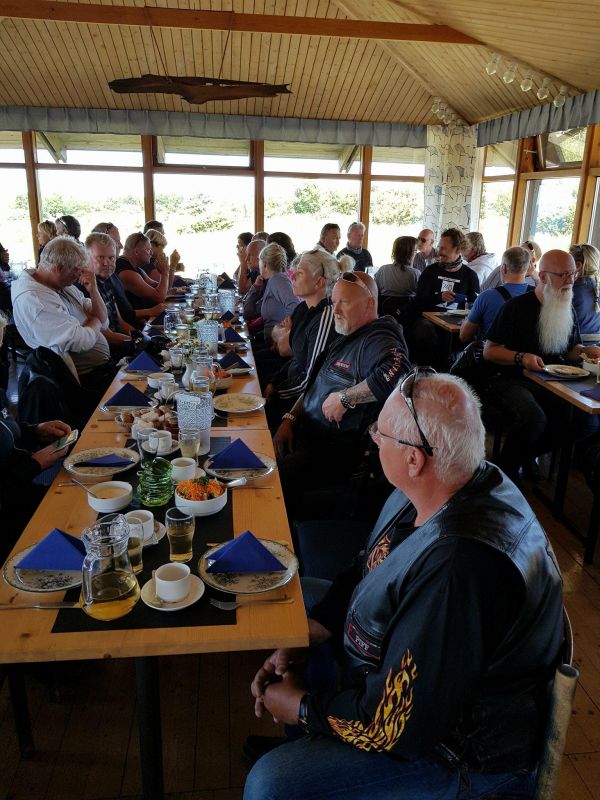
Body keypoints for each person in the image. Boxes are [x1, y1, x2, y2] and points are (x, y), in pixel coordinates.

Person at [245, 372, 563, 800]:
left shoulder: (461, 568)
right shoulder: (445, 482)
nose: (374, 439)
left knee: (269, 784)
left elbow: (396, 724)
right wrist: (315, 627)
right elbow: (368, 565)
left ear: (414, 458)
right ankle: (314, 745)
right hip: (419, 684)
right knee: (305, 602)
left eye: (380, 433)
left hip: (457, 753)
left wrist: (302, 708)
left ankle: (312, 751)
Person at [274, 272, 409, 520]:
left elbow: (398, 373)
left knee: (271, 480)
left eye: (344, 302)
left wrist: (346, 398)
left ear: (369, 303)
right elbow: (315, 385)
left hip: (334, 452)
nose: (335, 309)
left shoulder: (378, 337)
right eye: (334, 301)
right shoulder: (348, 334)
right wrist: (290, 418)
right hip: (306, 433)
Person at [484, 249, 600, 481]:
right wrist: (521, 357)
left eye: (573, 274)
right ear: (544, 276)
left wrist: (585, 351)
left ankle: (524, 455)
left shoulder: (567, 307)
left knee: (587, 423)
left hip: (552, 381)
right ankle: (502, 476)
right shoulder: (515, 307)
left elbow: (570, 350)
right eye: (564, 275)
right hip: (511, 378)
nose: (570, 281)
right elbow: (490, 351)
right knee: (533, 418)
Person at [0, 315, 72, 558]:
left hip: (23, 493)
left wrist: (35, 431)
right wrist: (35, 464)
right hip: (11, 526)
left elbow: (6, 432)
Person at [11, 236, 113, 390]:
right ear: (59, 268)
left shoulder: (61, 284)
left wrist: (93, 290)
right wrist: (95, 321)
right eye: (76, 270)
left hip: (101, 369)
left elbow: (104, 321)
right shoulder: (35, 301)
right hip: (80, 382)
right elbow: (81, 341)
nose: (79, 275)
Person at [264, 249, 341, 422]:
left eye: (299, 273)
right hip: (288, 388)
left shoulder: (325, 317)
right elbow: (296, 359)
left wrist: (275, 393)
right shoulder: (303, 309)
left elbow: (310, 380)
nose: (292, 277)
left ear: (319, 282)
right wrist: (273, 382)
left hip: (302, 407)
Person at [408, 228, 479, 367]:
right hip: (429, 322)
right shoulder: (430, 271)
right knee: (424, 329)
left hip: (456, 324)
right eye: (439, 247)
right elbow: (418, 303)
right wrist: (439, 298)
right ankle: (429, 371)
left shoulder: (470, 276)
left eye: (443, 248)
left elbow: (474, 306)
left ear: (457, 249)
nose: (439, 252)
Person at [460, 245, 531, 344]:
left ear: (503, 268)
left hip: (492, 352)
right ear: (528, 268)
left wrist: (465, 323)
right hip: (526, 353)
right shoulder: (537, 296)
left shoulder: (487, 297)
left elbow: (464, 336)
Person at [81, 232, 138, 358]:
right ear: (86, 258)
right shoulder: (83, 286)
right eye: (100, 257)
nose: (106, 263)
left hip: (122, 344)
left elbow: (120, 322)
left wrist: (142, 336)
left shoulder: (108, 279)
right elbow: (107, 335)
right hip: (107, 354)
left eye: (111, 258)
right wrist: (138, 343)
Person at [254, 243, 301, 341]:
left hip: (276, 343)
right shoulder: (274, 280)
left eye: (259, 260)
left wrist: (283, 330)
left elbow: (295, 305)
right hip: (271, 339)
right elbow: (250, 312)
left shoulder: (277, 279)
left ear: (264, 264)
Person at [116, 232, 170, 312]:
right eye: (148, 249)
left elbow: (155, 285)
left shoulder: (136, 268)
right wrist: (165, 273)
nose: (151, 253)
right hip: (135, 319)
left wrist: (168, 290)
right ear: (136, 252)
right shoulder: (127, 272)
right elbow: (158, 298)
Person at [570, 243, 600, 343]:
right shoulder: (596, 287)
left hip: (577, 347)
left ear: (577, 266)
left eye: (568, 262)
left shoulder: (572, 290)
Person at [241, 239, 267, 307]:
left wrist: (242, 264)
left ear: (262, 256)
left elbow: (242, 290)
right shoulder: (256, 272)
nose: (246, 259)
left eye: (251, 255)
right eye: (247, 255)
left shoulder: (271, 279)